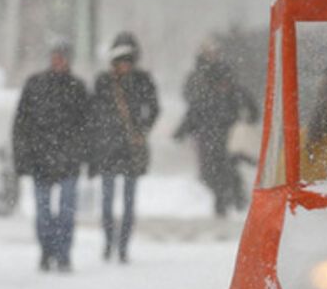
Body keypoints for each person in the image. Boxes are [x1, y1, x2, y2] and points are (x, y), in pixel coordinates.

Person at [11, 38, 89, 272]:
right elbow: (21, 123)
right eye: (56, 56)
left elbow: (88, 125)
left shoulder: (78, 88)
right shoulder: (35, 85)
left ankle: (63, 254)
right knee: (43, 214)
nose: (59, 61)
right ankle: (46, 251)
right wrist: (23, 156)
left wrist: (82, 153)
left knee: (66, 213)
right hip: (40, 160)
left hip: (68, 161)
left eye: (63, 57)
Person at [89, 31, 160, 262]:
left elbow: (154, 108)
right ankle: (109, 242)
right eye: (121, 60)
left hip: (131, 148)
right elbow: (94, 113)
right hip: (109, 148)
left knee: (128, 203)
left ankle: (122, 246)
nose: (124, 65)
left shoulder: (143, 81)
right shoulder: (103, 82)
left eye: (128, 60)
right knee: (108, 202)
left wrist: (142, 129)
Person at [172, 39, 259, 217]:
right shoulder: (205, 88)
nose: (223, 85)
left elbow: (252, 109)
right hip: (210, 136)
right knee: (214, 172)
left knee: (224, 170)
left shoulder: (233, 91)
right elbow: (193, 111)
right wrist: (181, 132)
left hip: (225, 137)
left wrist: (247, 120)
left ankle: (231, 200)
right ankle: (230, 199)